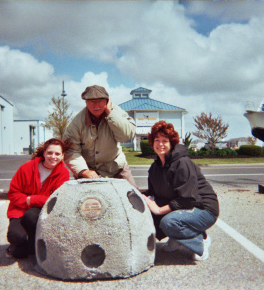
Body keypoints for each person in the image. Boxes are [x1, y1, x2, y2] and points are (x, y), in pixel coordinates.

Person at [142, 121, 219, 261]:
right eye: (156, 140)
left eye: (164, 140)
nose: (160, 144)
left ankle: (201, 240)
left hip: (203, 209)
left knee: (168, 222)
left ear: (171, 143)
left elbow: (188, 199)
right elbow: (154, 194)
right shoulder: (155, 167)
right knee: (146, 215)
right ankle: (177, 238)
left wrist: (158, 210)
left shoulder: (182, 163)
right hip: (184, 205)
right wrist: (139, 195)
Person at [6, 138, 71, 258]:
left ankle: (32, 242)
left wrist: (31, 199)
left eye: (57, 154)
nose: (53, 156)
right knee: (16, 238)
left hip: (39, 212)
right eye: (50, 153)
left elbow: (56, 199)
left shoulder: (63, 173)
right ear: (44, 153)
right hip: (20, 210)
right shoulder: (27, 167)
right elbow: (13, 193)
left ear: (62, 156)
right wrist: (29, 201)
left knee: (30, 216)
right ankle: (20, 245)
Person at [63, 85, 138, 188]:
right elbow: (71, 150)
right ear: (86, 103)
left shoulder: (116, 112)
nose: (96, 105)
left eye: (100, 101)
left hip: (116, 167)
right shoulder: (76, 123)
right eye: (92, 102)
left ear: (107, 101)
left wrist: (110, 113)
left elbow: (126, 135)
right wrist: (84, 171)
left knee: (133, 197)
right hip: (89, 171)